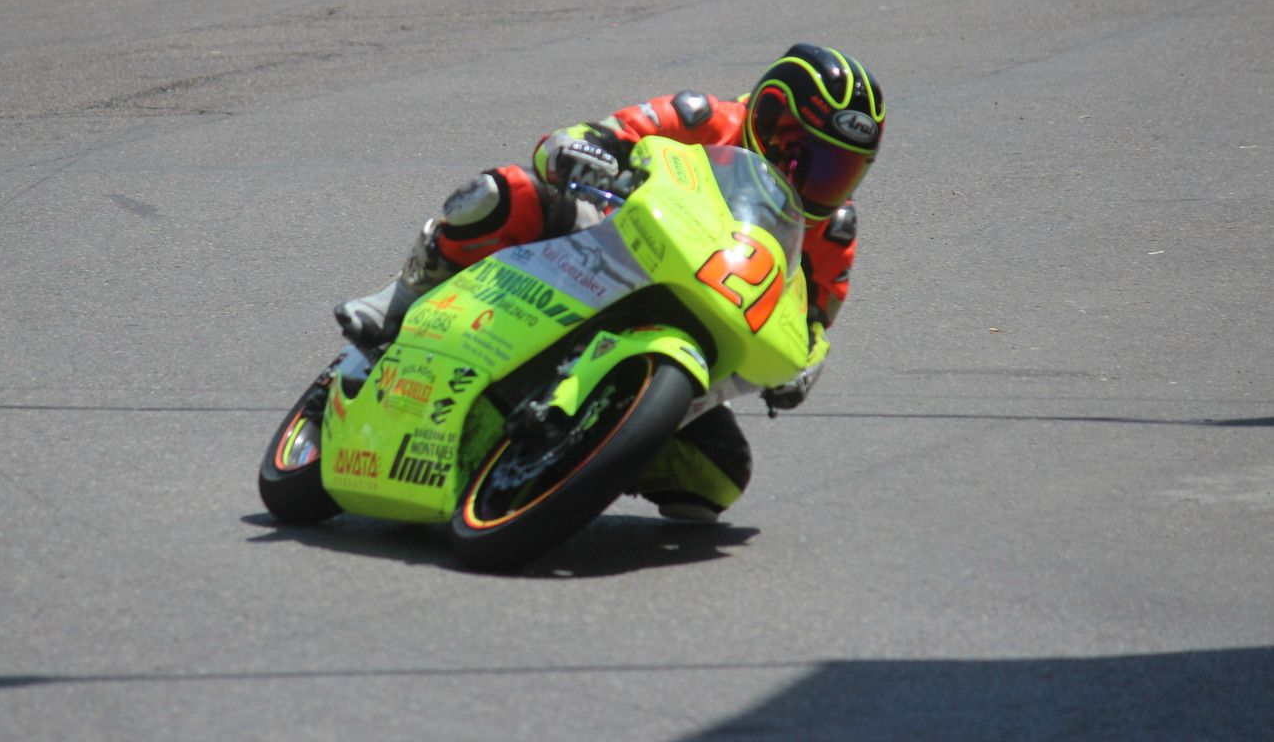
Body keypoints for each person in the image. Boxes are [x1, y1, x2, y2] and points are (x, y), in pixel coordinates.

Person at [335, 43, 885, 522]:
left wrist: (807, 360)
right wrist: (584, 149)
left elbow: (815, 315)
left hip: (702, 313)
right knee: (506, 193)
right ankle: (403, 297)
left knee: (716, 482)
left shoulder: (830, 229)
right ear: (768, 115)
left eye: (838, 169)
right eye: (801, 153)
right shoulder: (701, 116)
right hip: (613, 245)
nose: (807, 178)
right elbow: (600, 133)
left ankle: (585, 454)